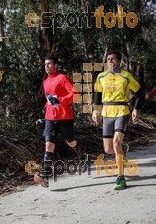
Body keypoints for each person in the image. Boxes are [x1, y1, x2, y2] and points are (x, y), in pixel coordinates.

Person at [92, 51, 143, 190]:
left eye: (113, 59)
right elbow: (97, 96)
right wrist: (96, 111)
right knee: (108, 149)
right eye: (108, 59)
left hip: (122, 111)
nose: (110, 61)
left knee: (116, 144)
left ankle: (120, 177)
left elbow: (139, 94)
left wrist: (136, 109)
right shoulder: (101, 76)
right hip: (107, 113)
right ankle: (123, 151)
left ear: (119, 61)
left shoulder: (126, 76)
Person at [34, 56, 86, 187]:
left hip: (64, 116)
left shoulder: (62, 78)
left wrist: (61, 100)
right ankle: (45, 176)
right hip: (50, 118)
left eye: (49, 64)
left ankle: (82, 155)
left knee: (70, 141)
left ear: (56, 65)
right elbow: (49, 100)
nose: (46, 66)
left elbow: (75, 94)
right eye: (45, 64)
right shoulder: (45, 82)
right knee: (49, 145)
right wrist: (43, 113)